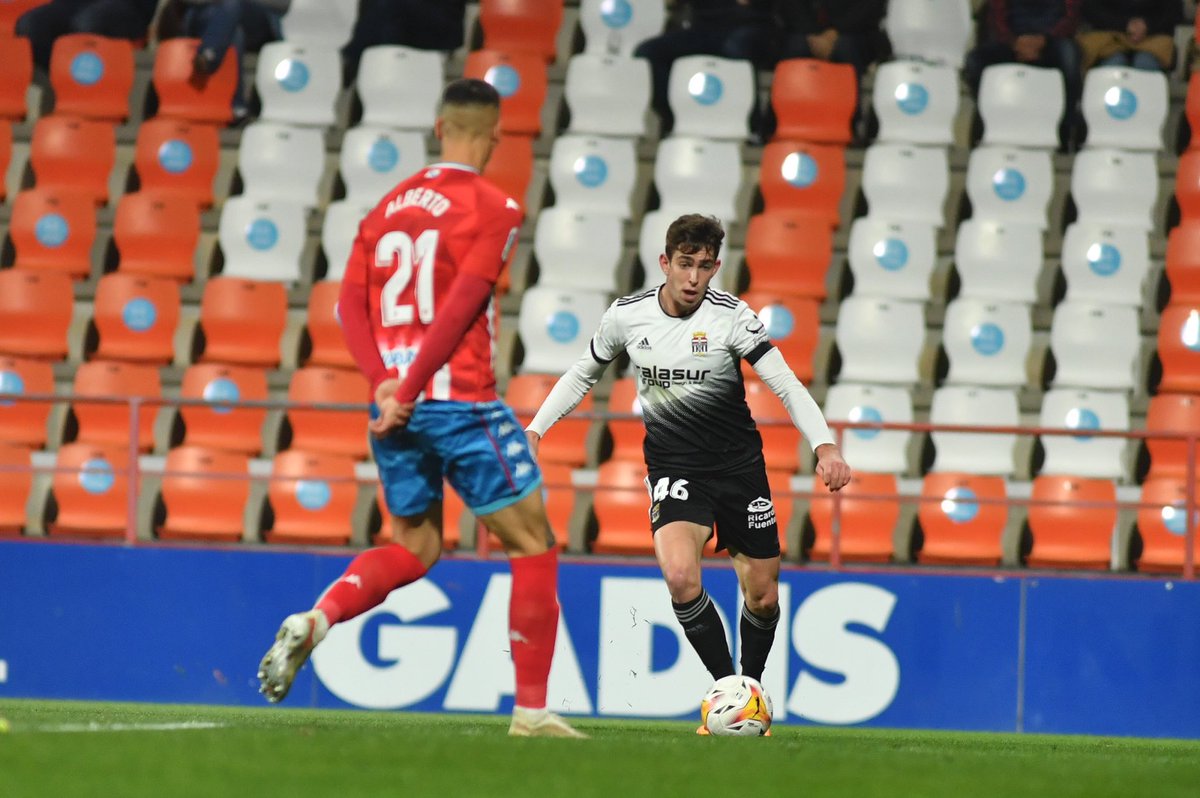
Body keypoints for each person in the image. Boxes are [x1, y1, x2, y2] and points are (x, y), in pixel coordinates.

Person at [258, 78, 586, 740]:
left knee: (415, 544)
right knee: (533, 544)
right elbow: (465, 302)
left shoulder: (383, 209)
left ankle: (317, 620)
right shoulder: (495, 206)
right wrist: (409, 389)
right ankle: (530, 714)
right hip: (456, 401)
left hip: (392, 414)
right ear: (495, 136)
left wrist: (385, 384)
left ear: (439, 129)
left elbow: (349, 305)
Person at [525, 214, 852, 733]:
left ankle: (752, 685)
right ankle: (732, 694)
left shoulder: (732, 318)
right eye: (685, 265)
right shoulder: (627, 317)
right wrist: (537, 430)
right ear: (665, 263)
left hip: (739, 469)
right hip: (676, 469)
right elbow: (582, 373)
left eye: (704, 267)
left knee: (763, 595)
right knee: (680, 576)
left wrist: (826, 444)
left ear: (716, 267)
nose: (694, 278)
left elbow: (786, 384)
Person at [632, 0, 777, 137]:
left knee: (737, 48)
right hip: (703, 28)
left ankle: (752, 125)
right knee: (648, 52)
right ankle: (675, 116)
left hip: (751, 26)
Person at [964, 0, 1084, 149]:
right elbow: (996, 16)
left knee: (1069, 59)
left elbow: (1071, 18)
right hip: (1013, 41)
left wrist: (1043, 40)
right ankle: (985, 122)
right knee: (975, 61)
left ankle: (1065, 128)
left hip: (1053, 40)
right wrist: (1014, 42)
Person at [341, 0, 467, 87]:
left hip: (441, 20)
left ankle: (354, 60)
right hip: (401, 23)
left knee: (388, 8)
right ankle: (360, 62)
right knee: (387, 17)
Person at [16, 0, 159, 71]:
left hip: (128, 5)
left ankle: (87, 88)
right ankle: (59, 82)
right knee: (30, 25)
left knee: (87, 24)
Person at [1076, 0, 1182, 73]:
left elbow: (1174, 12)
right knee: (1114, 64)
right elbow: (1090, 9)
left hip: (1153, 41)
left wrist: (1147, 26)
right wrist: (1124, 25)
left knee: (1145, 64)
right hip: (1110, 39)